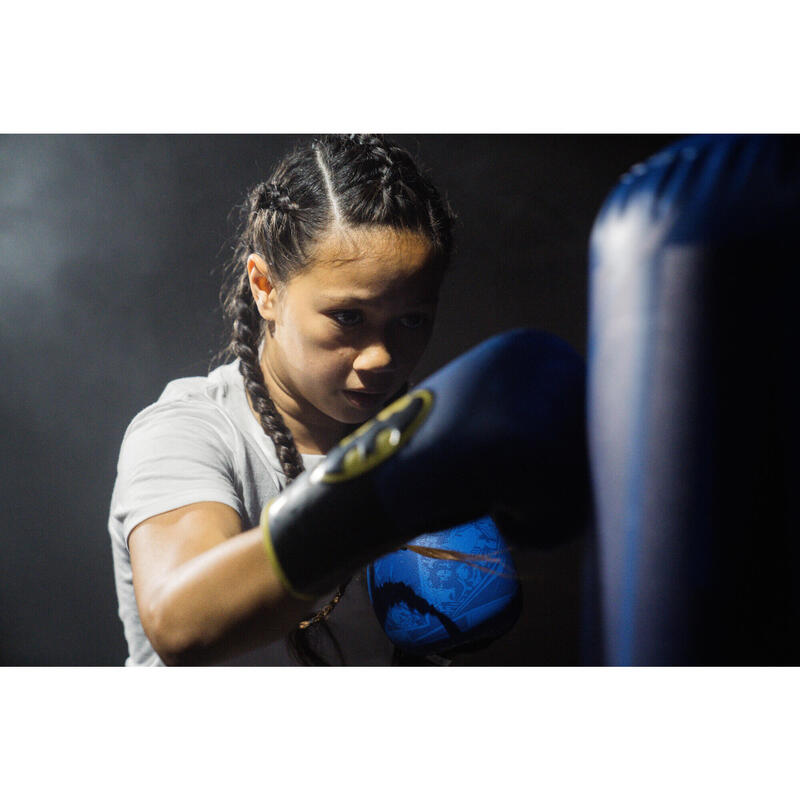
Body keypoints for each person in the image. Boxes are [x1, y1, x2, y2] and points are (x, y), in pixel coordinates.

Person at [108, 134, 458, 666]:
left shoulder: (417, 441)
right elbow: (182, 624)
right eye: (348, 317)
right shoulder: (187, 430)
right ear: (266, 287)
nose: (381, 358)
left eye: (412, 320)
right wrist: (378, 508)